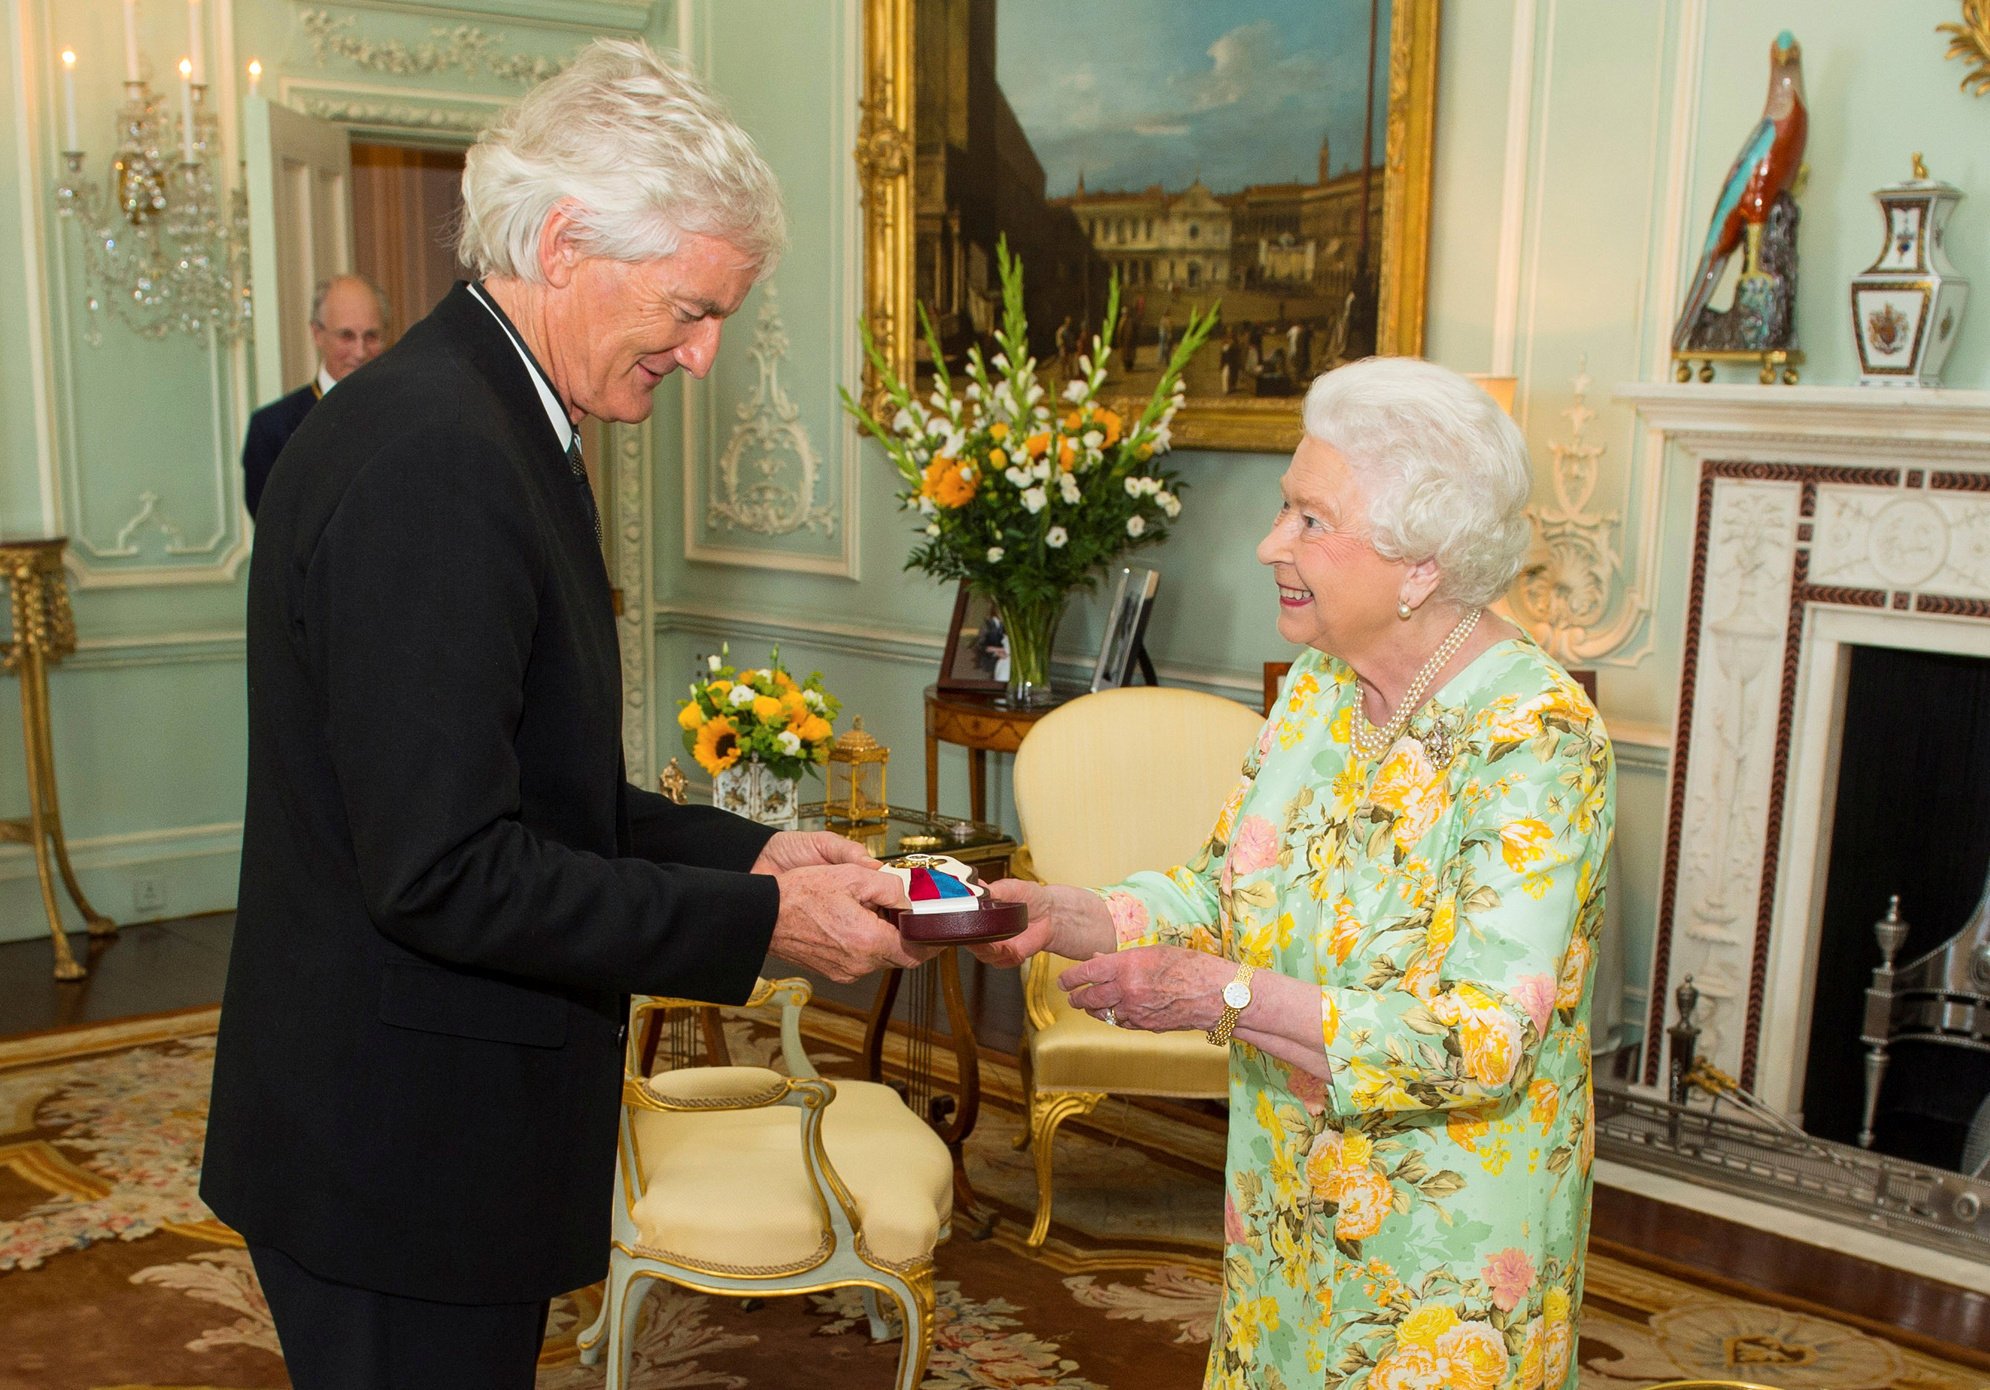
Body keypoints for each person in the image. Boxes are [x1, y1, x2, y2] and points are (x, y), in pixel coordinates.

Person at [202, 39, 926, 1390]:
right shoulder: (438, 454)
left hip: (417, 1131)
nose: (704, 356)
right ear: (560, 242)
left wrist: (750, 856)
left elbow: (536, 792)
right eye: (691, 307)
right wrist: (762, 928)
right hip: (396, 1154)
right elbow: (446, 870)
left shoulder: (489, 419)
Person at [975, 357, 1615, 1389]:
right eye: (1286, 509)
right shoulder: (1322, 686)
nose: (1271, 543)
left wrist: (1220, 995)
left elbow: (1484, 1036)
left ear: (1422, 560)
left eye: (1310, 520)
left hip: (1443, 1245)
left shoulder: (1534, 735)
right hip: (1283, 1196)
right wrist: (1076, 911)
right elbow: (1230, 885)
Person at [239, 274, 390, 518]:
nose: (360, 352)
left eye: (371, 337)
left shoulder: (408, 415)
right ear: (317, 334)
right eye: (346, 336)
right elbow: (273, 531)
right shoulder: (271, 429)